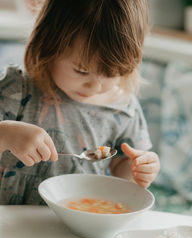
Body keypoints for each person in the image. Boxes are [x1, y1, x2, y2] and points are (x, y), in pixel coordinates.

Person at [0, 0, 160, 204]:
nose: (94, 86)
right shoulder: (16, 89)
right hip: (14, 219)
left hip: (84, 217)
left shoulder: (123, 108)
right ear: (48, 45)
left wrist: (139, 168)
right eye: (81, 71)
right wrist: (5, 134)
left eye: (111, 74)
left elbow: (122, 170)